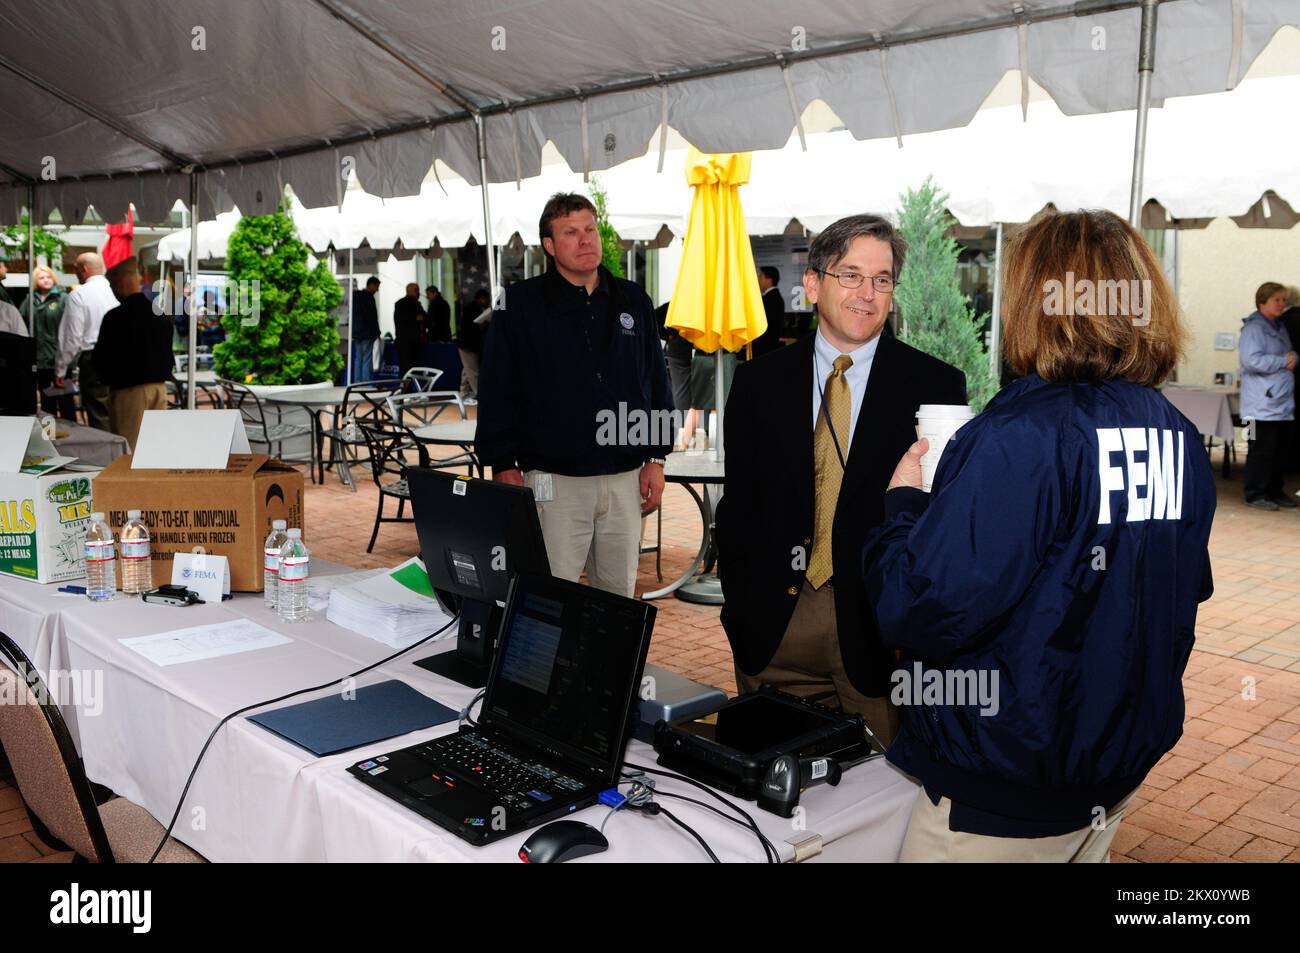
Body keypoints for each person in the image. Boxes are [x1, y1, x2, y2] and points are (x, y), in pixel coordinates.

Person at [863, 209, 1215, 862]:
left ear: (1036, 303)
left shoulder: (1022, 436)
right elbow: (1180, 588)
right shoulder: (1178, 436)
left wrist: (904, 507)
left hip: (1002, 798)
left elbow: (919, 607)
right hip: (1108, 780)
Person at [716, 214, 965, 743]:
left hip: (877, 636)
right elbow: (738, 507)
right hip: (771, 630)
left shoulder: (936, 385)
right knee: (772, 794)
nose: (867, 293)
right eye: (850, 275)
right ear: (812, 284)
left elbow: (943, 522)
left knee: (884, 800)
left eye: (882, 279)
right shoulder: (759, 381)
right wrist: (740, 609)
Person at [477, 192, 673, 598]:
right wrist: (501, 463)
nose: (586, 240)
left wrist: (657, 457)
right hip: (555, 481)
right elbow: (496, 388)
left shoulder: (633, 300)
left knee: (617, 597)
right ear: (549, 246)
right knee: (550, 597)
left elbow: (656, 380)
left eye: (590, 229)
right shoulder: (518, 304)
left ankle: (608, 665)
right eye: (571, 232)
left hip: (625, 479)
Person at [92, 257, 173, 451]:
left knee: (130, 450)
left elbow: (102, 357)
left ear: (120, 283)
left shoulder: (115, 318)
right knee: (156, 447)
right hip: (159, 388)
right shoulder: (159, 314)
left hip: (129, 392)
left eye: (112, 285)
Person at [1239, 281, 1295, 510]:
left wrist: (1293, 358)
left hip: (1280, 403)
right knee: (1259, 450)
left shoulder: (1279, 327)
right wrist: (1284, 361)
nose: (1282, 304)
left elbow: (1291, 354)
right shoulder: (1253, 329)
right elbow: (1252, 361)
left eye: (1284, 300)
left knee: (1279, 451)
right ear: (1263, 302)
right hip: (1259, 405)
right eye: (1277, 300)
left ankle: (1274, 490)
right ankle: (1255, 493)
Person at [54, 252, 117, 431]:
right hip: (119, 357)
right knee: (116, 409)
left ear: (84, 269)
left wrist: (60, 370)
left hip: (94, 359)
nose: (75, 274)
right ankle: (123, 453)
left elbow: (71, 337)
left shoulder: (79, 295)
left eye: (76, 270)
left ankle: (107, 456)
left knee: (98, 412)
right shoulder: (115, 291)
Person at [30, 266, 75, 419]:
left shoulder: (63, 298)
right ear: (36, 281)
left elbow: (71, 328)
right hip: (41, 362)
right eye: (42, 277)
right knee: (47, 406)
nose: (46, 280)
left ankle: (72, 440)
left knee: (66, 403)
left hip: (60, 360)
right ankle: (50, 439)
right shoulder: (30, 300)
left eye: (48, 276)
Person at [456, 287, 490, 398]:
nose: (487, 301)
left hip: (472, 344)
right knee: (472, 370)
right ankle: (479, 394)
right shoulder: (471, 309)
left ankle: (463, 392)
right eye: (485, 299)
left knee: (467, 369)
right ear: (480, 299)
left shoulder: (480, 309)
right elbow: (467, 327)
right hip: (468, 344)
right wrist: (480, 326)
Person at [749, 264, 785, 358]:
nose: (758, 281)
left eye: (760, 277)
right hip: (767, 347)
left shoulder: (771, 299)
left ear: (769, 280)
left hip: (764, 349)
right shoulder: (773, 297)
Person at [350, 276, 381, 383]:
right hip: (367, 332)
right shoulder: (369, 297)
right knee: (367, 357)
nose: (377, 290)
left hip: (356, 332)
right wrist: (377, 332)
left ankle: (357, 381)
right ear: (371, 285)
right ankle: (366, 382)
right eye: (377, 286)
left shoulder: (355, 296)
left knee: (358, 357)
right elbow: (372, 317)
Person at [393, 282, 427, 377]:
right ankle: (406, 388)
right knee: (406, 368)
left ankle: (410, 387)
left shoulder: (416, 304)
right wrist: (415, 318)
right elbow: (401, 320)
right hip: (406, 342)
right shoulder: (402, 304)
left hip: (413, 342)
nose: (418, 293)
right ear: (410, 291)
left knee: (412, 368)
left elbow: (425, 317)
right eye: (416, 290)